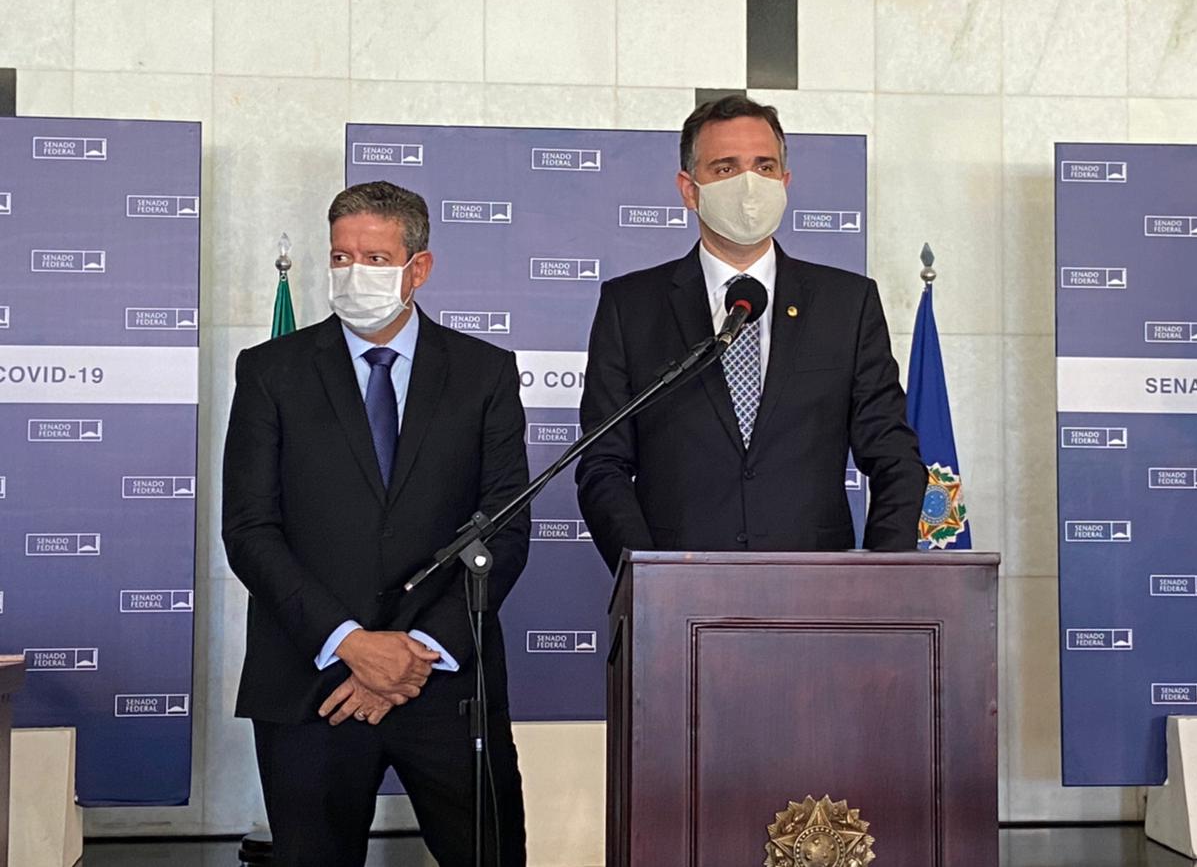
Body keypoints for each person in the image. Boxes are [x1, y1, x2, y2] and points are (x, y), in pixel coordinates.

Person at [223, 180, 529, 867]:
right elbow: (249, 530)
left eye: (374, 259)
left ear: (418, 268)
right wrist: (349, 643)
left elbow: (504, 529)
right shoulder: (271, 372)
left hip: (447, 683)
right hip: (311, 685)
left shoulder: (484, 373)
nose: (352, 274)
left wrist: (413, 651)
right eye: (339, 257)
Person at [576, 96, 926, 571]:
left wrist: (882, 576)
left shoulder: (847, 303)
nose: (748, 185)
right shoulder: (631, 306)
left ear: (784, 182)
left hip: (818, 596)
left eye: (764, 166)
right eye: (725, 168)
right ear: (689, 189)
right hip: (677, 598)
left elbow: (893, 456)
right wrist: (648, 573)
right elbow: (603, 465)